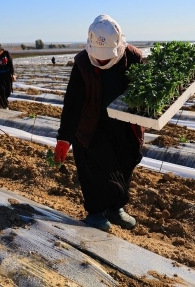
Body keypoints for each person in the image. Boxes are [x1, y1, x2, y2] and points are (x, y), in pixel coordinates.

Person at [54, 14, 145, 231]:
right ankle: (95, 212)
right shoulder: (83, 63)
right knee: (96, 170)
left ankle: (116, 209)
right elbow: (73, 102)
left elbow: (145, 90)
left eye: (106, 57)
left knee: (125, 164)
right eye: (99, 57)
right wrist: (64, 138)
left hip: (125, 124)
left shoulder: (133, 57)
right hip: (92, 124)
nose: (102, 61)